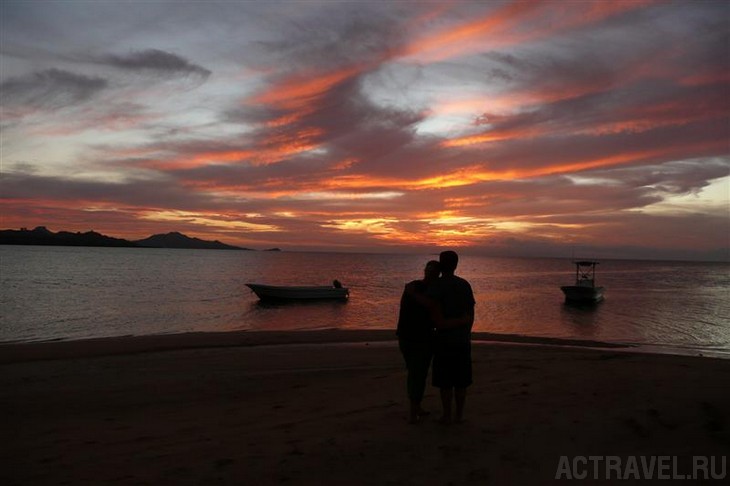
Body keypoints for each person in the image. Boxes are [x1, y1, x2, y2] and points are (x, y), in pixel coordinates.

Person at [430, 250, 475, 424]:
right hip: (462, 340)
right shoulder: (464, 285)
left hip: (443, 341)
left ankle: (447, 415)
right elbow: (471, 314)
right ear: (456, 265)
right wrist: (466, 331)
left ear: (442, 264)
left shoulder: (436, 286)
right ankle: (458, 416)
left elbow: (433, 316)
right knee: (461, 381)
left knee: (445, 382)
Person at [396, 260, 440, 424]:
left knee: (416, 373)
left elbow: (431, 307)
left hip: (411, 336)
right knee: (417, 374)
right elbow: (431, 306)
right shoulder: (420, 288)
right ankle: (413, 413)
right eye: (429, 270)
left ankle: (416, 407)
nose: (430, 273)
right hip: (415, 338)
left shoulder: (413, 288)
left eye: (432, 271)